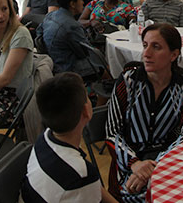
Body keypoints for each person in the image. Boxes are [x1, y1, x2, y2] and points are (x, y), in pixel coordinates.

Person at [106, 23, 183, 202]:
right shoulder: (128, 82)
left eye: (156, 47)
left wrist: (154, 167)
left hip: (168, 163)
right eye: (145, 45)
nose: (146, 54)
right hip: (127, 163)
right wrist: (136, 164)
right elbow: (112, 132)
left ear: (174, 54)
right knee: (135, 194)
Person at [22, 72, 118, 203]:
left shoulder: (45, 137)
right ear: (86, 111)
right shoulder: (81, 176)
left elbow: (95, 188)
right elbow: (86, 181)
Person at [38, 0, 96, 78]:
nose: (83, 2)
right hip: (67, 67)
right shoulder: (72, 26)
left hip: (52, 60)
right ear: (72, 4)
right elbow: (84, 53)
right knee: (103, 63)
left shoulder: (50, 15)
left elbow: (39, 32)